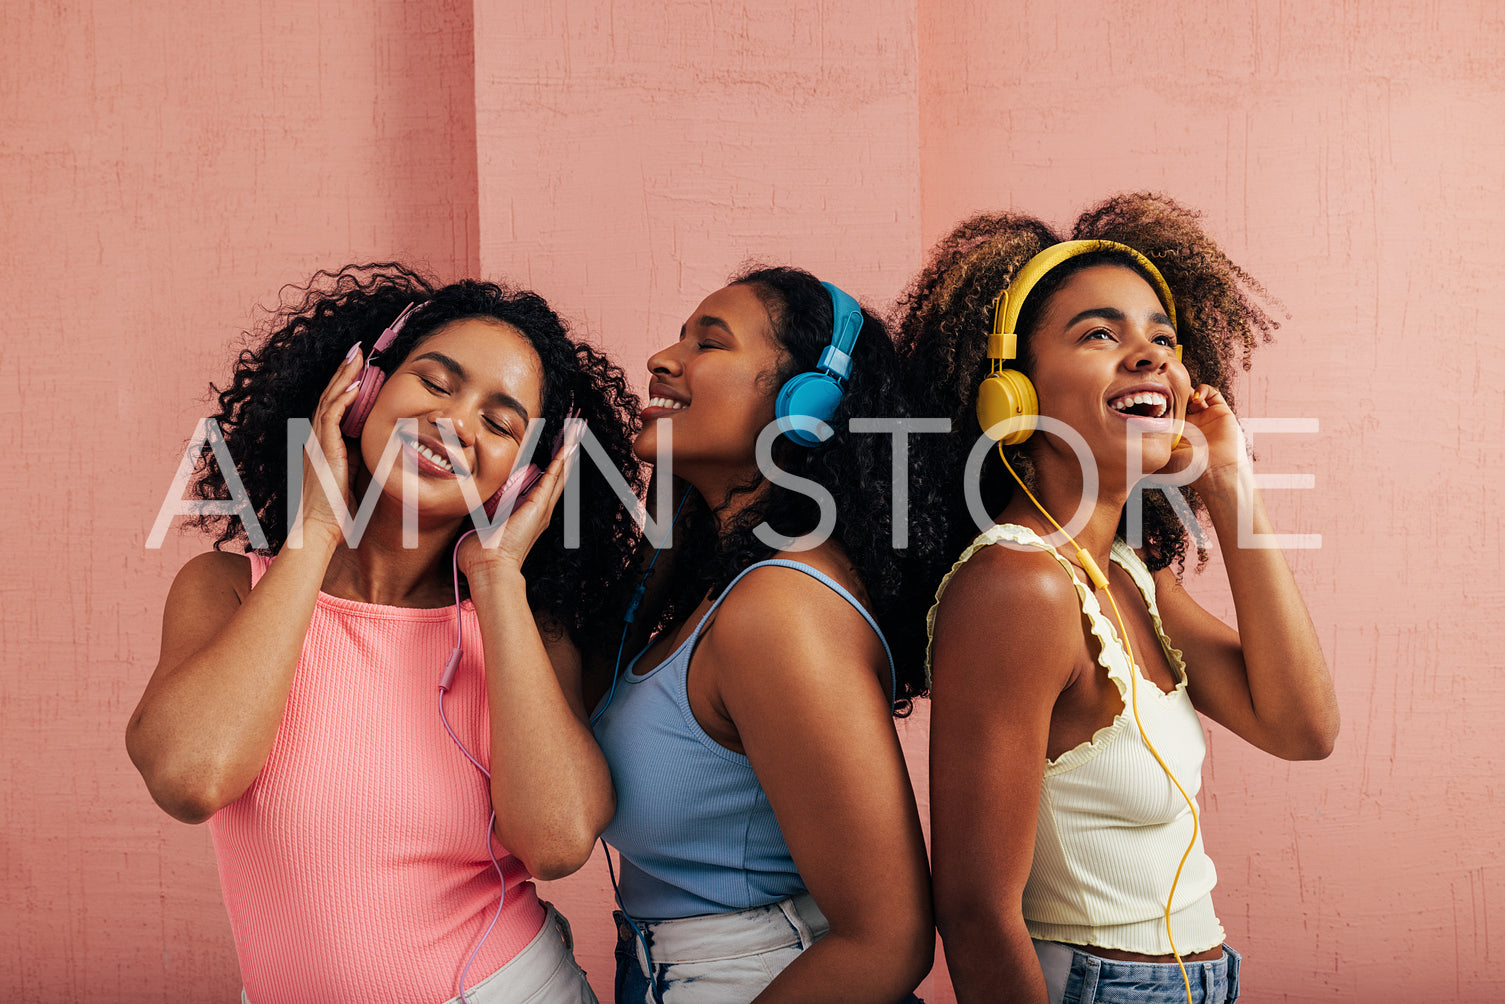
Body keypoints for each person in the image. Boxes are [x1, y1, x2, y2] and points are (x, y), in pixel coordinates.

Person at [127, 263, 644, 1004]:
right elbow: (189, 779)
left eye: (499, 424)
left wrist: (497, 578)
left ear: (523, 478)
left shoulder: (525, 629)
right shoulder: (226, 591)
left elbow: (557, 842)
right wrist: (313, 530)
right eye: (435, 382)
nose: (456, 422)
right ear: (362, 388)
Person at [897, 195, 1340, 1004]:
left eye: (1162, 339)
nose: (1149, 357)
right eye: (1100, 334)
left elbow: (1301, 728)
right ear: (1009, 392)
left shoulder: (1127, 575)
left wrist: (1230, 483)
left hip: (1199, 978)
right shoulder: (1018, 585)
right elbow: (973, 913)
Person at [589, 266, 937, 1003]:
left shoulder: (779, 610)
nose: (661, 359)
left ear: (802, 404)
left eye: (707, 343)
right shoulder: (725, 581)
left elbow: (889, 942)